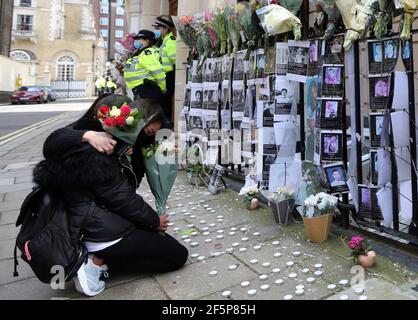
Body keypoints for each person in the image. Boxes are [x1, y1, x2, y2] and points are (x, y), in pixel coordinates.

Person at [34, 94, 187, 297]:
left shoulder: (118, 144)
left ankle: (97, 255)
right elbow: (123, 198)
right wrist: (153, 221)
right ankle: (92, 262)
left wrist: (153, 157)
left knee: (153, 242)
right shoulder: (99, 147)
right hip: (95, 227)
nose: (147, 136)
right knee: (177, 255)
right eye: (147, 131)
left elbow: (125, 192)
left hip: (87, 220)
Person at [124, 30, 166, 101]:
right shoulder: (142, 52)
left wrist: (162, 88)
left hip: (147, 90)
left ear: (147, 41)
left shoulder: (148, 53)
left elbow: (157, 72)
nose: (139, 42)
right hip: (141, 90)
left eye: (140, 40)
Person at [153, 16, 176, 124]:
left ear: (166, 29)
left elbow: (175, 60)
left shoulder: (170, 41)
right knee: (163, 100)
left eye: (159, 28)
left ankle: (167, 123)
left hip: (169, 75)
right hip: (163, 75)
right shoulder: (164, 41)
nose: (158, 30)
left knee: (166, 101)